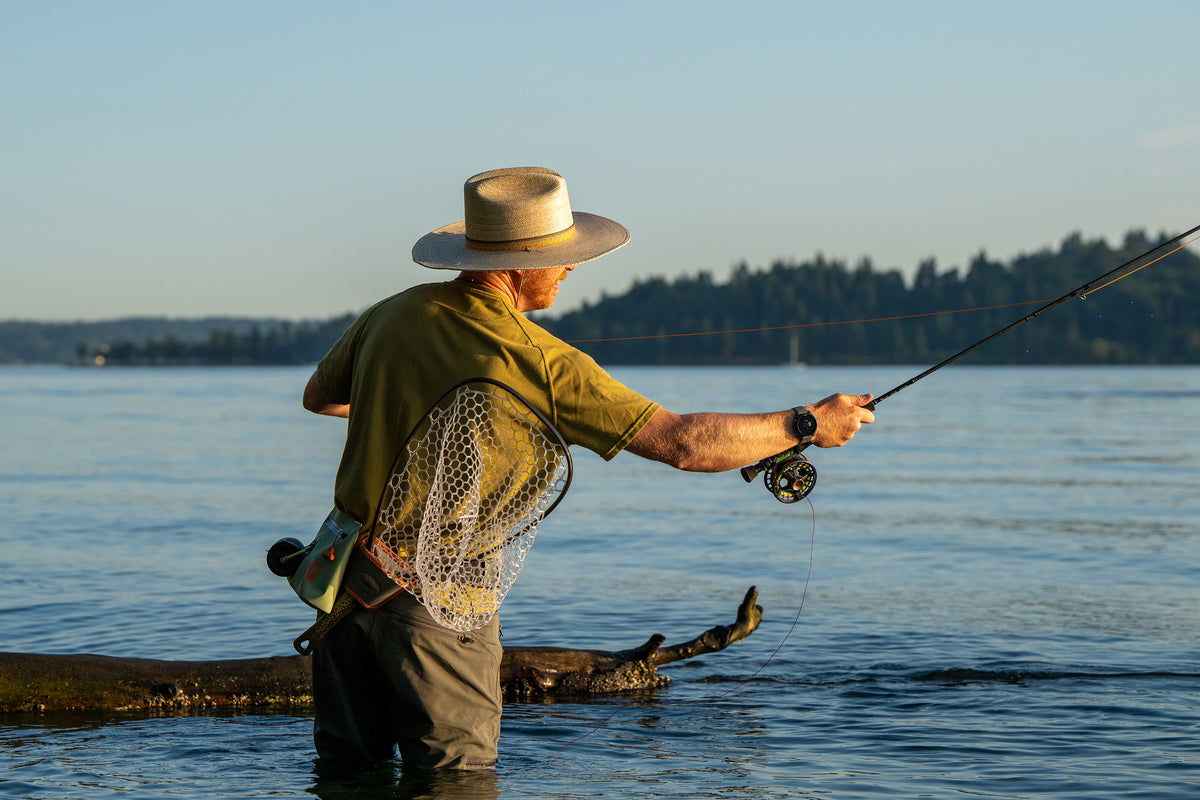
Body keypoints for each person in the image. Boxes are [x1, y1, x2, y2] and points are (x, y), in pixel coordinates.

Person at [301, 166, 874, 773]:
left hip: (343, 594)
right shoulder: (545, 363)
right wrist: (805, 423)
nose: (572, 267)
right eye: (561, 254)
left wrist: (435, 412)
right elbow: (682, 443)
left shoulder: (388, 316)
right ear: (521, 261)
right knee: (456, 784)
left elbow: (321, 395)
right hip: (439, 608)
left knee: (346, 779)